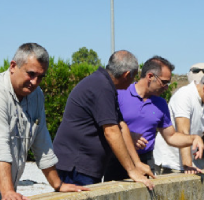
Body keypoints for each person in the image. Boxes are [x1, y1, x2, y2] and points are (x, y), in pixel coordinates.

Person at [0, 43, 90, 200]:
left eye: (40, 77)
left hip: (2, 189)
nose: (35, 82)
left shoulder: (36, 95)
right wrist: (8, 192)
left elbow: (42, 141)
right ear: (13, 66)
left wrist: (58, 184)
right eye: (31, 74)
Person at [51, 50, 156, 190]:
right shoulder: (102, 87)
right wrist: (131, 171)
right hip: (76, 166)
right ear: (126, 75)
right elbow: (111, 132)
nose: (134, 81)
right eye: (134, 76)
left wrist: (137, 163)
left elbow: (121, 126)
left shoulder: (105, 84)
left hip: (83, 166)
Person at [106, 56, 201, 180]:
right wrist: (129, 136)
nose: (166, 87)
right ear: (150, 76)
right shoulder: (120, 93)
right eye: (164, 82)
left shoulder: (161, 104)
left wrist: (193, 138)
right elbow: (107, 128)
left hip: (146, 161)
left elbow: (171, 136)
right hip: (117, 160)